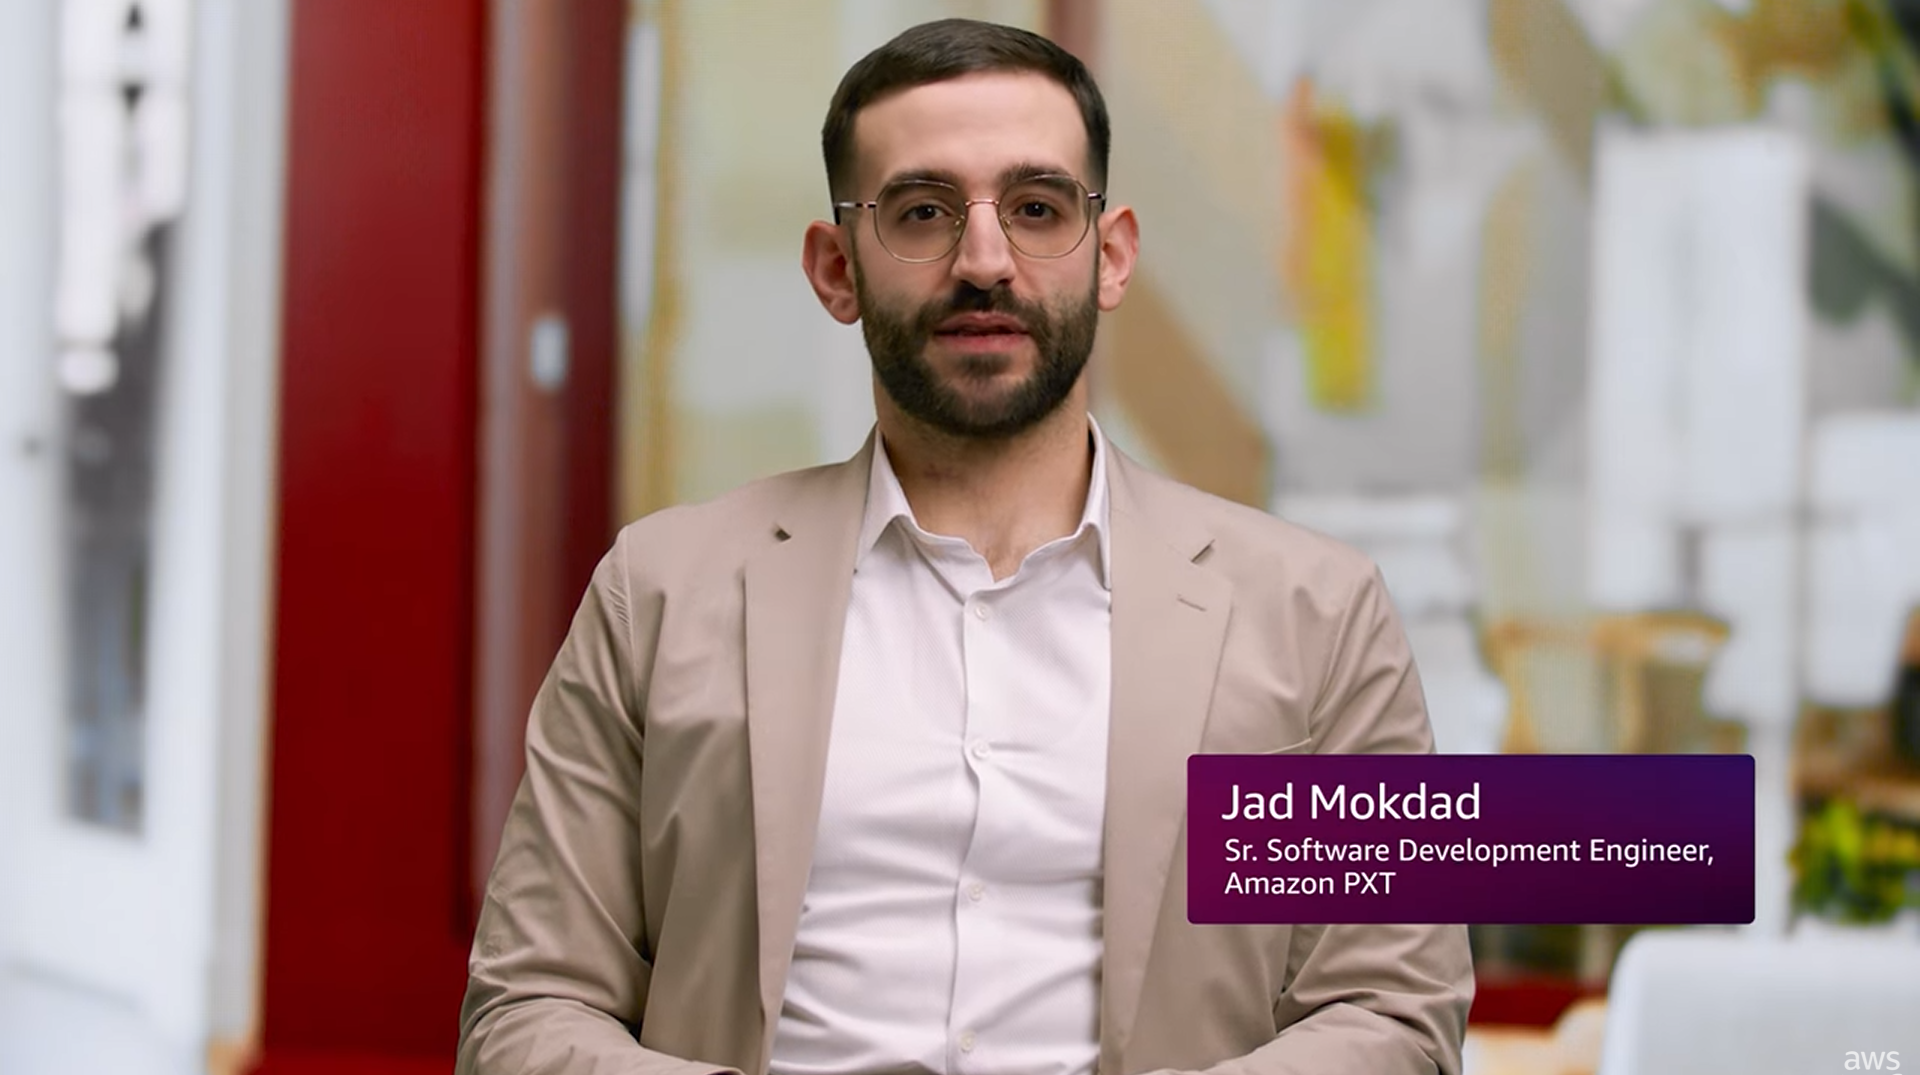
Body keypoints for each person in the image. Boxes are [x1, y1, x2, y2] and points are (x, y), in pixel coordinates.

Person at [457, 18, 1472, 1075]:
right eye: (923, 212)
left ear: (1111, 255)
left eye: (1036, 209)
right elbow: (528, 1009)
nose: (984, 261)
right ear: (835, 268)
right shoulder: (659, 595)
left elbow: (1392, 1009)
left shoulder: (1314, 618)